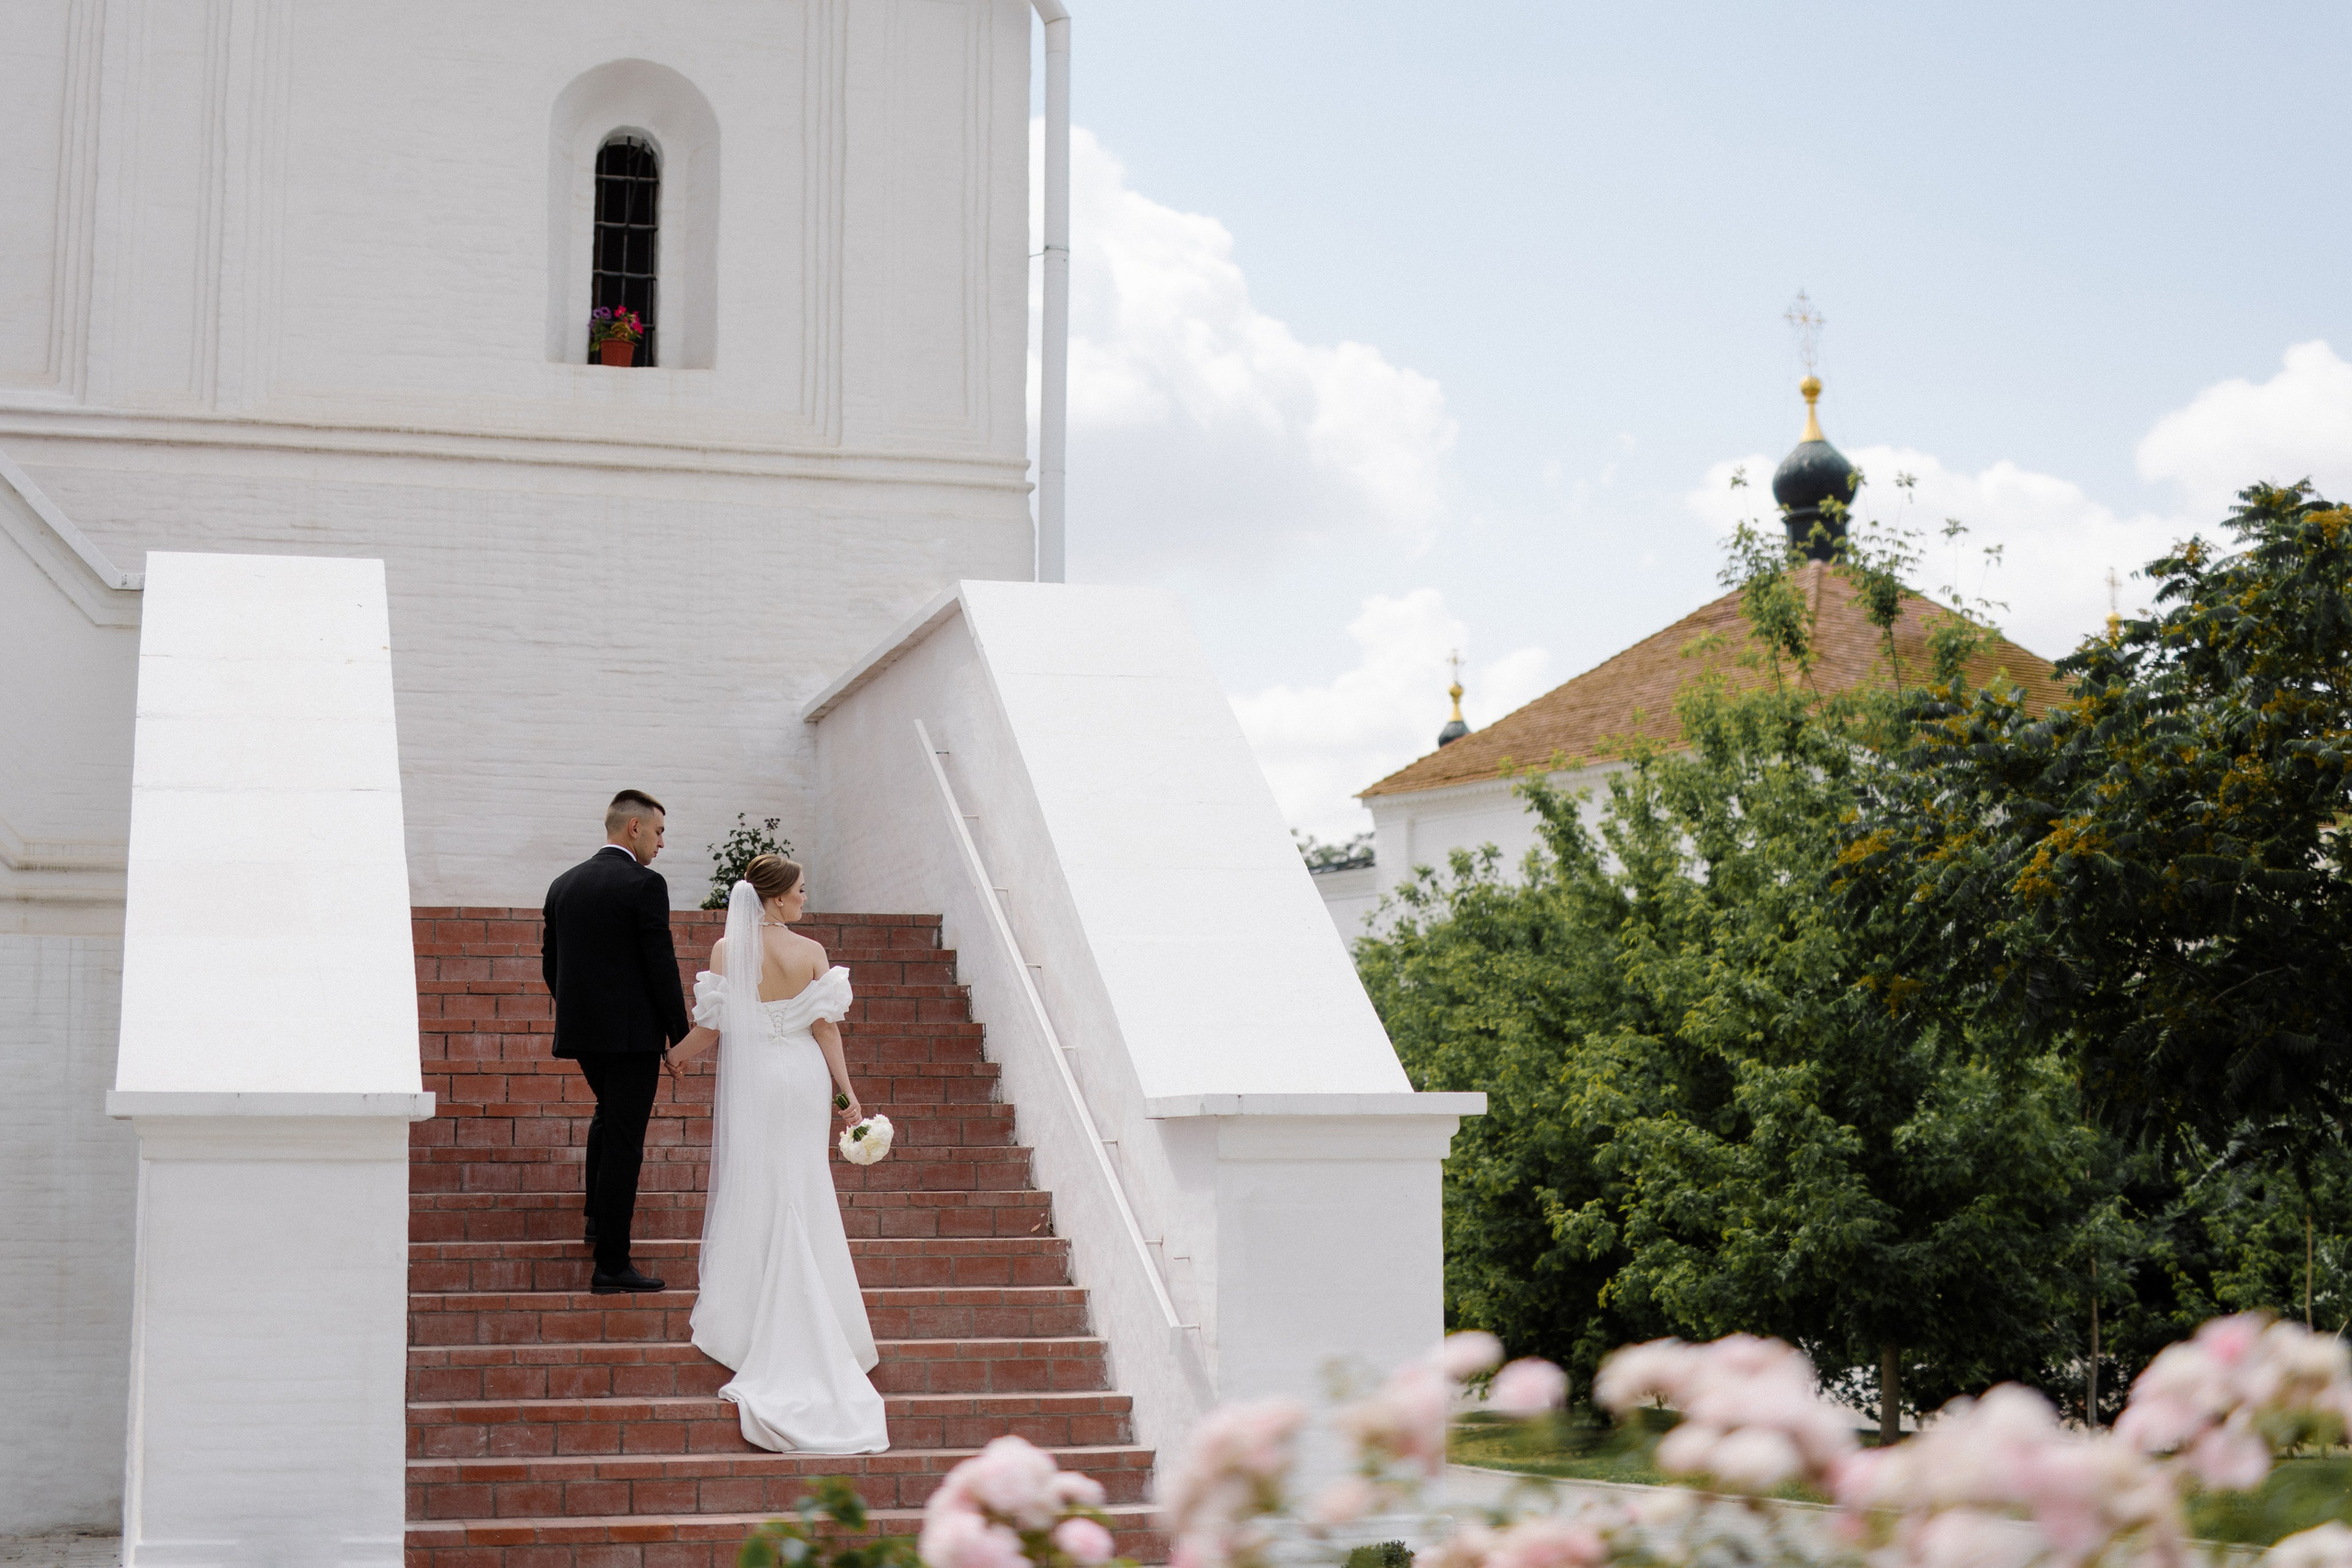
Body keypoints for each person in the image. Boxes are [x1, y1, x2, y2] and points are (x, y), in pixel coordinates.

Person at [664, 852, 888, 1453]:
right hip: (804, 1080)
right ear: (775, 897)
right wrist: (848, 1097)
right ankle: (823, 1311)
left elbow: (712, 1027)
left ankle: (748, 1316)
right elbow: (825, 1030)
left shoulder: (725, 951)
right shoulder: (812, 951)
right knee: (803, 1183)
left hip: (759, 1080)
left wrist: (678, 1057)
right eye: (798, 891)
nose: (803, 899)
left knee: (756, 1183)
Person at [541, 789, 692, 1294]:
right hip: (632, 1039)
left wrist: (581, 1013)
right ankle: (612, 1264)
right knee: (626, 1140)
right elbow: (660, 963)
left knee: (608, 1116)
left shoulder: (563, 885)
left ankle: (595, 1221)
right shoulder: (644, 884)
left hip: (584, 1034)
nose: (661, 843)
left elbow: (551, 965)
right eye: (659, 831)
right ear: (634, 828)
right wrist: (680, 1035)